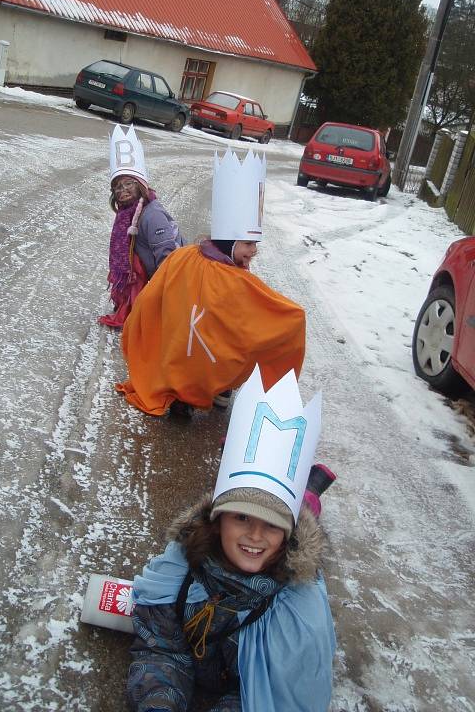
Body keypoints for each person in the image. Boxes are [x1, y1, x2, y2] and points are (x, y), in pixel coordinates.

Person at [127, 367, 336, 712]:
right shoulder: (179, 571)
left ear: (286, 536)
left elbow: (276, 694)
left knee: (303, 505)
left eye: (271, 525)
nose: (254, 535)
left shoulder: (296, 614)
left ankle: (307, 491)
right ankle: (301, 491)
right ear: (217, 519)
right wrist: (158, 702)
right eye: (240, 517)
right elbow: (161, 647)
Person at [116, 149, 305, 415]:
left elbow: (259, 309)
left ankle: (217, 389)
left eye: (255, 244)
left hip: (210, 344)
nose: (254, 251)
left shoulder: (236, 276)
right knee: (187, 355)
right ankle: (185, 396)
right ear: (229, 241)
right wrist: (144, 315)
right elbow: (159, 287)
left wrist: (290, 317)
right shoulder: (185, 258)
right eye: (248, 243)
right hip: (188, 336)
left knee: (216, 352)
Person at [99, 124, 184, 328]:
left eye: (129, 183)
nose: (123, 190)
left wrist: (162, 301)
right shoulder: (127, 215)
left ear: (140, 185)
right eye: (118, 187)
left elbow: (168, 258)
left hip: (170, 280)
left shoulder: (152, 215)